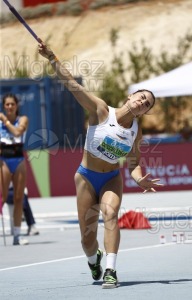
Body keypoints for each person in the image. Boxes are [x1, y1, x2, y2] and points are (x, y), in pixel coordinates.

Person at [38, 43, 163, 288]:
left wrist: (139, 179)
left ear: (145, 112)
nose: (142, 102)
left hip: (111, 179)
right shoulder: (101, 110)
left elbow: (134, 164)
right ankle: (93, 258)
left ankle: (110, 270)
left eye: (147, 103)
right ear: (131, 96)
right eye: (141, 96)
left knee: (110, 215)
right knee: (86, 238)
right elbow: (73, 86)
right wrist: (51, 57)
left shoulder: (136, 133)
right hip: (86, 177)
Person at [0, 93, 29, 245]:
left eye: (12, 104)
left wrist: (5, 121)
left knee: (19, 198)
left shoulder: (22, 119)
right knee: (2, 198)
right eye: (7, 104)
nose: (10, 107)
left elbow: (18, 132)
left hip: (18, 160)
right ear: (4, 106)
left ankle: (17, 235)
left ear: (16, 105)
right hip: (4, 160)